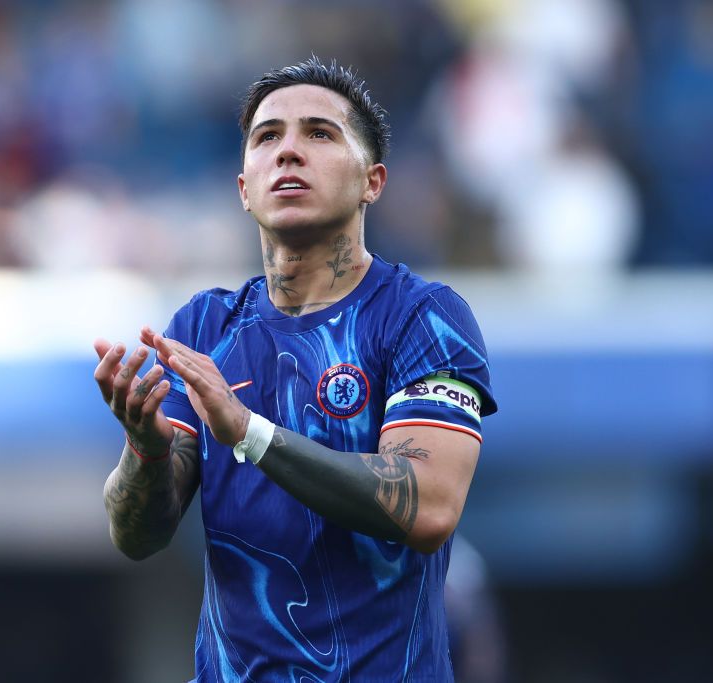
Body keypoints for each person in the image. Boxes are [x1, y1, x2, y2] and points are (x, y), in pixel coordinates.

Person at [94, 57, 498, 682]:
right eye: (267, 136)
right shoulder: (203, 329)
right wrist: (144, 450)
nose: (288, 151)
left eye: (319, 133)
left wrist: (249, 432)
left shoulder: (425, 318)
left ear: (373, 181)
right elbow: (137, 535)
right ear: (243, 187)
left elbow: (430, 506)